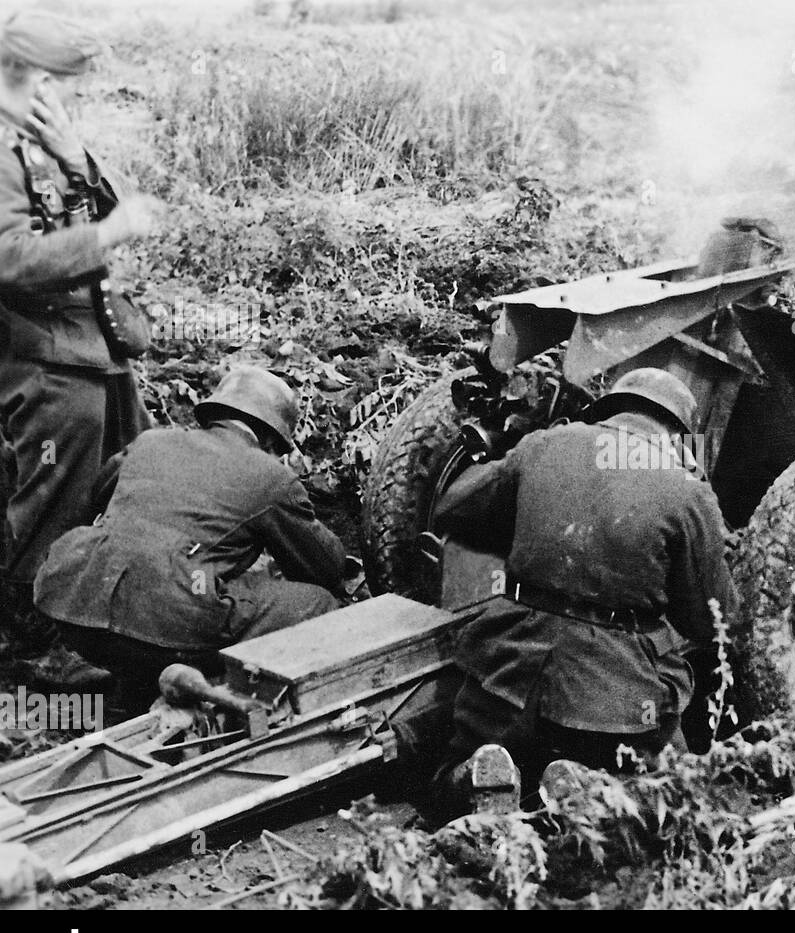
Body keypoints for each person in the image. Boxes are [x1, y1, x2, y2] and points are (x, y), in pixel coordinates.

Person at [424, 367, 739, 819]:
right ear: (678, 435)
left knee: (451, 773)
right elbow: (713, 622)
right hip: (616, 701)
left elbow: (453, 507)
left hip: (511, 674)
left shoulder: (544, 445)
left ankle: (473, 776)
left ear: (607, 410)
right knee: (674, 802)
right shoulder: (687, 492)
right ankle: (588, 790)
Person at [32, 366, 347, 701]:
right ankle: (211, 687)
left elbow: (99, 497)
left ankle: (106, 670)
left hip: (72, 606)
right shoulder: (272, 477)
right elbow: (324, 569)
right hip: (162, 633)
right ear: (272, 438)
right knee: (317, 602)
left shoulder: (151, 441)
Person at [0, 9, 158, 664]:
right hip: (33, 351)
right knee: (56, 485)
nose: (80, 99)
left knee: (136, 456)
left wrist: (77, 161)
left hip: (83, 339)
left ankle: (98, 602)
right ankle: (36, 637)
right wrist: (106, 236)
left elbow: (105, 203)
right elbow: (9, 258)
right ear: (36, 80)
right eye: (74, 85)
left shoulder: (42, 138)